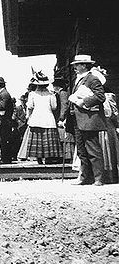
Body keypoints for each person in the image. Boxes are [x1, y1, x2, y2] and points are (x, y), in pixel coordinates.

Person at [68, 55, 107, 186]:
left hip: (89, 119)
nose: (75, 67)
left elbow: (100, 96)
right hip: (78, 119)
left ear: (84, 65)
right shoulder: (79, 79)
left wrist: (83, 101)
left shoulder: (92, 79)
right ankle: (85, 177)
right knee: (81, 150)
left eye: (77, 65)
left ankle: (98, 178)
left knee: (93, 148)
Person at [20, 72, 62, 165]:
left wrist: (28, 116)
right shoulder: (51, 94)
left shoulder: (32, 94)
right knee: (48, 141)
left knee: (38, 141)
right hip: (48, 119)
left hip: (36, 119)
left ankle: (39, 158)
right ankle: (48, 158)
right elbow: (54, 107)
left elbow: (30, 106)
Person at [89, 67, 119, 184]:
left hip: (105, 125)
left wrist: (116, 124)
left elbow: (113, 112)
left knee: (105, 148)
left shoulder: (107, 95)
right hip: (98, 124)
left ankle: (108, 175)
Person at [0, 76, 15, 164]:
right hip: (6, 120)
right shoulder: (4, 93)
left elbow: (2, 107)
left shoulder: (3, 94)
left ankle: (6, 158)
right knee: (3, 140)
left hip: (5, 121)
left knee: (4, 140)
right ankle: (6, 158)